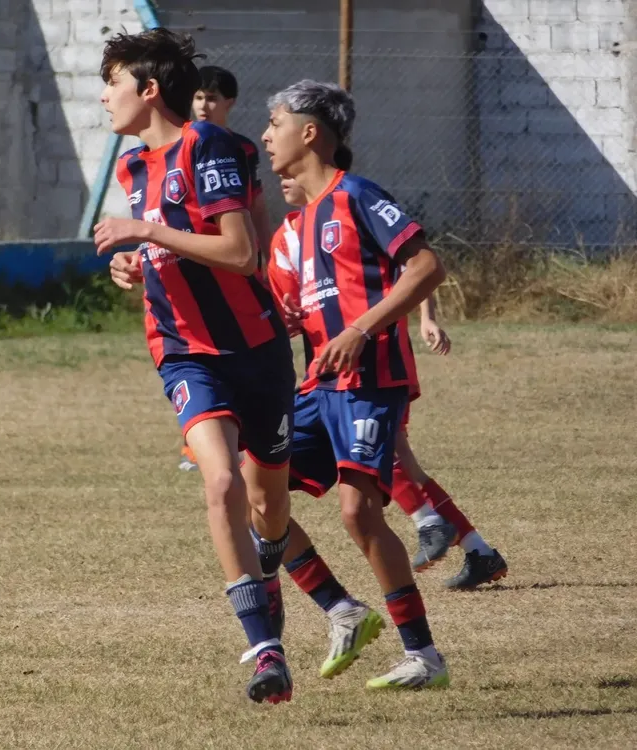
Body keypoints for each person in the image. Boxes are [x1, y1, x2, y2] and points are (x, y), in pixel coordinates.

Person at [96, 28, 296, 704]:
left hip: (256, 349)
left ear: (148, 90)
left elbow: (242, 253)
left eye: (113, 83)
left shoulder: (206, 147)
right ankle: (265, 651)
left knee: (269, 503)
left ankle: (269, 569)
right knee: (219, 484)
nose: (104, 97)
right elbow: (162, 247)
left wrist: (144, 233)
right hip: (184, 351)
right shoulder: (132, 167)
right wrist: (134, 262)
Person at [263, 78, 450, 689]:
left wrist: (364, 328)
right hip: (320, 387)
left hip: (371, 380)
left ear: (310, 132)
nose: (267, 135)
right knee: (253, 495)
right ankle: (341, 609)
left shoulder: (357, 196)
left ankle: (423, 657)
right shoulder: (303, 221)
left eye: (276, 123)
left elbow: (425, 265)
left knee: (357, 512)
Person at [180, 65, 271, 473]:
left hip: (236, 263)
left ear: (229, 103)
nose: (203, 104)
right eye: (199, 97)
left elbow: (253, 206)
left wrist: (263, 255)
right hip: (196, 267)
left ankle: (248, 438)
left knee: (238, 351)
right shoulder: (184, 145)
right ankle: (198, 443)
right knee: (193, 352)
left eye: (212, 98)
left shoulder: (241, 149)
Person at [389, 302, 509, 588]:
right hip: (356, 362)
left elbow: (418, 262)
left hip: (381, 359)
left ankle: (429, 524)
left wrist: (427, 318)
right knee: (401, 463)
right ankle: (479, 552)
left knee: (376, 454)